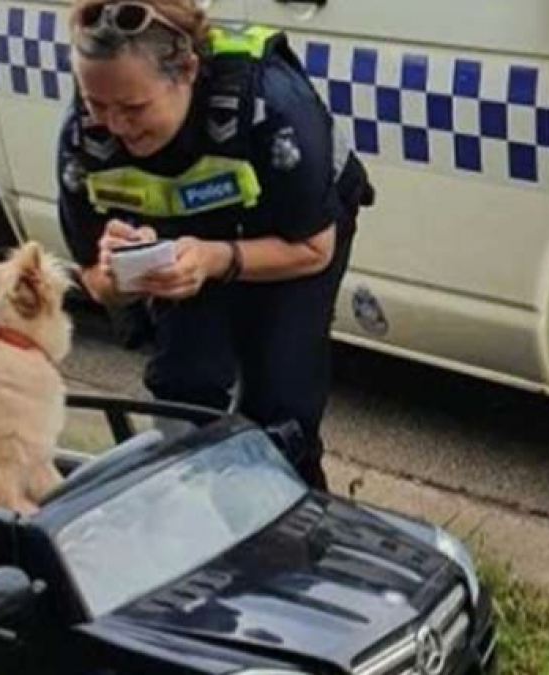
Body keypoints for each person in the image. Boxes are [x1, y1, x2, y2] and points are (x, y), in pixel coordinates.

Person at [57, 0, 374, 489]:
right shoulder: (84, 137)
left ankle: (294, 524)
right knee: (185, 384)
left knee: (280, 404)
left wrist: (215, 259)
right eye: (96, 105)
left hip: (293, 236)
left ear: (186, 70)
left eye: (133, 108)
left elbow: (314, 248)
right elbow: (96, 282)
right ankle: (196, 516)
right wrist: (123, 271)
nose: (115, 126)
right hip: (189, 241)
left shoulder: (270, 104)